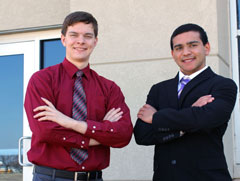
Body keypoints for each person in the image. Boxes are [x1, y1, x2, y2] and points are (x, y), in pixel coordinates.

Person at [24, 11, 133, 181]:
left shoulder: (109, 88)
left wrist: (71, 123)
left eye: (87, 36)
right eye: (74, 35)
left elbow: (123, 134)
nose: (81, 41)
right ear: (63, 39)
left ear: (95, 41)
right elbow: (45, 131)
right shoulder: (42, 80)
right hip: (50, 177)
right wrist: (98, 135)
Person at [134, 23, 237, 181]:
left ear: (206, 47)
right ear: (173, 53)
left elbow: (207, 119)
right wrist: (188, 119)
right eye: (179, 48)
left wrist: (156, 118)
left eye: (193, 45)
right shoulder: (159, 89)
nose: (186, 52)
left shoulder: (223, 85)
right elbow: (142, 135)